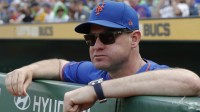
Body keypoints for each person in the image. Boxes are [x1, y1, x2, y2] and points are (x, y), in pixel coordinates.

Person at [5, 1, 200, 112]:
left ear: (134, 38)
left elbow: (191, 82)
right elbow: (58, 66)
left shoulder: (154, 74)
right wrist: (27, 70)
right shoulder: (95, 71)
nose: (97, 46)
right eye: (91, 38)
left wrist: (96, 91)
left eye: (107, 37)